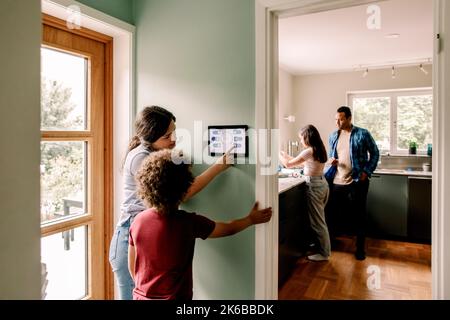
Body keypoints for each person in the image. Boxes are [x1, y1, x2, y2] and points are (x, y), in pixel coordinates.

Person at [109, 106, 233, 300]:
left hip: (145, 235)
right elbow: (183, 193)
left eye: (174, 132)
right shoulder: (141, 157)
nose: (174, 139)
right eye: (167, 136)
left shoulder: (155, 152)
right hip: (130, 237)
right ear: (151, 137)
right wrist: (218, 167)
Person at [128, 149, 272, 300]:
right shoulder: (188, 223)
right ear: (185, 187)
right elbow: (228, 229)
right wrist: (250, 219)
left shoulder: (138, 221)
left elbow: (133, 267)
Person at [326, 106, 379, 261]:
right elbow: (332, 155)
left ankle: (360, 249)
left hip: (357, 181)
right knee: (334, 213)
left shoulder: (362, 134)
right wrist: (332, 160)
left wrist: (367, 172)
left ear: (349, 118)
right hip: (337, 180)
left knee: (359, 215)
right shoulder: (333, 135)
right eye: (336, 119)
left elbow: (375, 153)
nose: (338, 122)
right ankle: (333, 244)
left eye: (341, 119)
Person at [279, 125, 331, 261]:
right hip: (322, 184)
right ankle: (320, 246)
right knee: (319, 220)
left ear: (307, 137)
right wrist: (286, 156)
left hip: (314, 186)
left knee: (318, 222)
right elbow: (302, 163)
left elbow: (288, 165)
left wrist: (278, 154)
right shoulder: (318, 148)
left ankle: (324, 254)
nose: (301, 141)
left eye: (301, 138)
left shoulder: (309, 151)